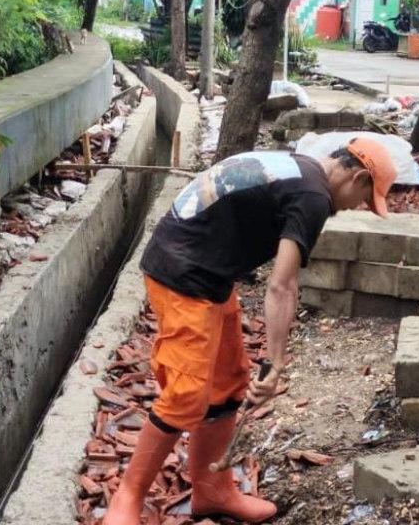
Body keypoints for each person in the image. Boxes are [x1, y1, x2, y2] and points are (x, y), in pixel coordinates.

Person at [102, 139, 397, 525]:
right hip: (183, 274)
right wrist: (275, 364)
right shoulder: (314, 197)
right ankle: (126, 499)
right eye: (363, 198)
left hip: (209, 271)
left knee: (228, 381)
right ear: (358, 176)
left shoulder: (300, 166)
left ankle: (213, 491)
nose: (356, 206)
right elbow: (282, 286)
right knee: (186, 392)